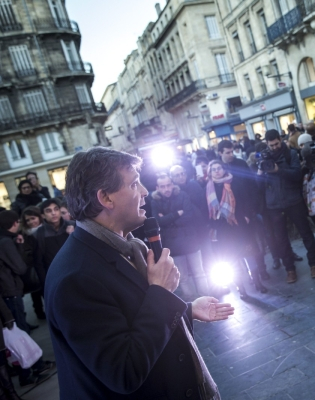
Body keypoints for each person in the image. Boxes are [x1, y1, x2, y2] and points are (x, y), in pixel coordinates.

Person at [45, 147, 234, 399]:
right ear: (106, 198)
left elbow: (133, 318)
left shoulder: (125, 245)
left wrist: (187, 310)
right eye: (134, 184)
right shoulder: (75, 278)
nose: (145, 192)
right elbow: (124, 371)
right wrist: (161, 291)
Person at [256, 130, 315, 283]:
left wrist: (279, 170)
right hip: (274, 205)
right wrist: (259, 171)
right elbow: (259, 187)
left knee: (306, 233)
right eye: (271, 145)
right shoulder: (264, 157)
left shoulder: (290, 154)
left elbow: (297, 175)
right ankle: (289, 269)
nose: (274, 147)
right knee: (281, 239)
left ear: (281, 140)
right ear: (267, 144)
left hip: (293, 200)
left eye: (277, 144)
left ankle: (314, 264)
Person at [0, 210, 55, 387]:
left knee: (18, 332)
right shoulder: (6, 242)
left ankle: (34, 366)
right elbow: (20, 267)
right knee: (19, 333)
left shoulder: (4, 239)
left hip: (8, 291)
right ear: (14, 223)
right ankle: (30, 372)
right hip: (10, 291)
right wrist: (20, 248)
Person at [206, 160, 266, 297]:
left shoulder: (234, 182)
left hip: (240, 225)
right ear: (209, 173)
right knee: (232, 259)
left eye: (219, 168)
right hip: (223, 229)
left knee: (249, 254)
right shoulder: (208, 188)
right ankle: (241, 289)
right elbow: (209, 209)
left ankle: (258, 283)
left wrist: (246, 215)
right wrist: (214, 224)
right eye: (213, 169)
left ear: (223, 169)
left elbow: (245, 199)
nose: (217, 171)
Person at [151, 173, 206, 300]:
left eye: (168, 185)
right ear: (157, 188)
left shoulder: (182, 195)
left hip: (190, 240)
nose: (167, 189)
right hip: (173, 244)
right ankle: (194, 304)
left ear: (172, 184)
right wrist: (176, 214)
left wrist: (167, 219)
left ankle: (206, 299)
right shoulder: (155, 201)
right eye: (163, 186)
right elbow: (157, 222)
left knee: (199, 273)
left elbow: (189, 216)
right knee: (183, 277)